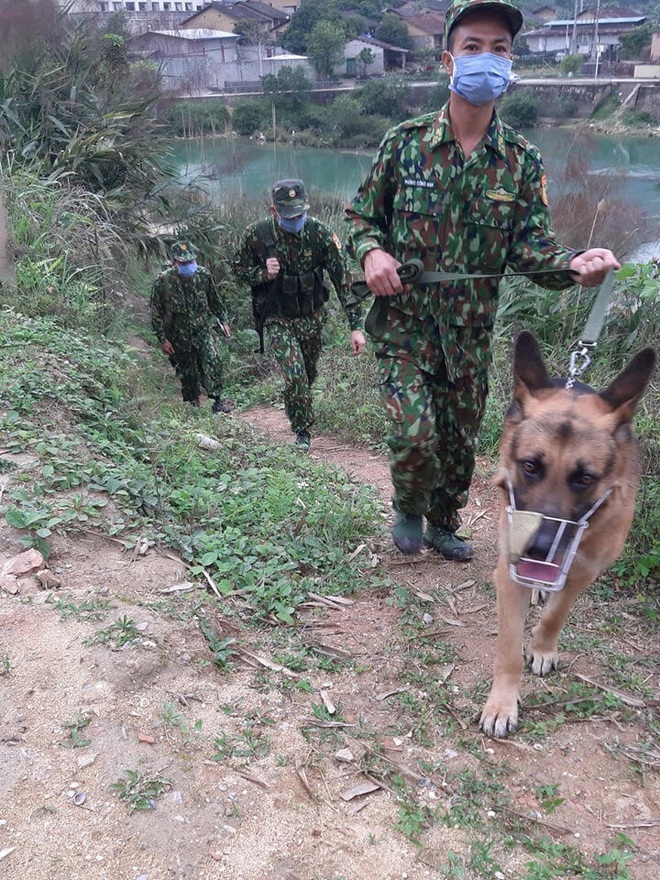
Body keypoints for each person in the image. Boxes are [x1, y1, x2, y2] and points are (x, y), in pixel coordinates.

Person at [345, 0, 620, 560]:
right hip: (404, 326)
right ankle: (409, 508)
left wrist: (573, 266)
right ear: (449, 59)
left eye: (500, 49)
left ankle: (444, 524)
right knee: (414, 434)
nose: (486, 60)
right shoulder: (404, 143)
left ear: (511, 63)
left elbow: (530, 249)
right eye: (473, 47)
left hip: (469, 332)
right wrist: (373, 253)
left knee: (458, 439)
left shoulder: (520, 161)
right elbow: (359, 219)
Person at [233, 179, 366, 452]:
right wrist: (263, 274)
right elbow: (238, 269)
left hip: (312, 317)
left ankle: (296, 402)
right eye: (288, 215)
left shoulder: (320, 234)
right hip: (278, 318)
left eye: (300, 213)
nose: (295, 219)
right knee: (296, 377)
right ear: (274, 210)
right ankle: (302, 432)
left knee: (308, 374)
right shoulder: (257, 235)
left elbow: (344, 281)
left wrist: (356, 326)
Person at [150, 241, 232, 413]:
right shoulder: (163, 281)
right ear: (175, 263)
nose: (188, 266)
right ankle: (193, 404)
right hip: (179, 336)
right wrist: (162, 339)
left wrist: (223, 320)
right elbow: (156, 312)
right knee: (187, 371)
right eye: (184, 263)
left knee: (213, 360)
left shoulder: (204, 276)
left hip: (202, 330)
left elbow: (215, 301)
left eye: (191, 262)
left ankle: (217, 401)